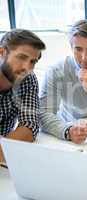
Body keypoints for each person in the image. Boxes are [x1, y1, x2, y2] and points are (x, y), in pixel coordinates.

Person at [0, 29, 46, 163]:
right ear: (2, 53)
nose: (27, 67)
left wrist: (5, 150)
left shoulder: (27, 79)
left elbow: (30, 126)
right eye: (21, 57)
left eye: (33, 61)